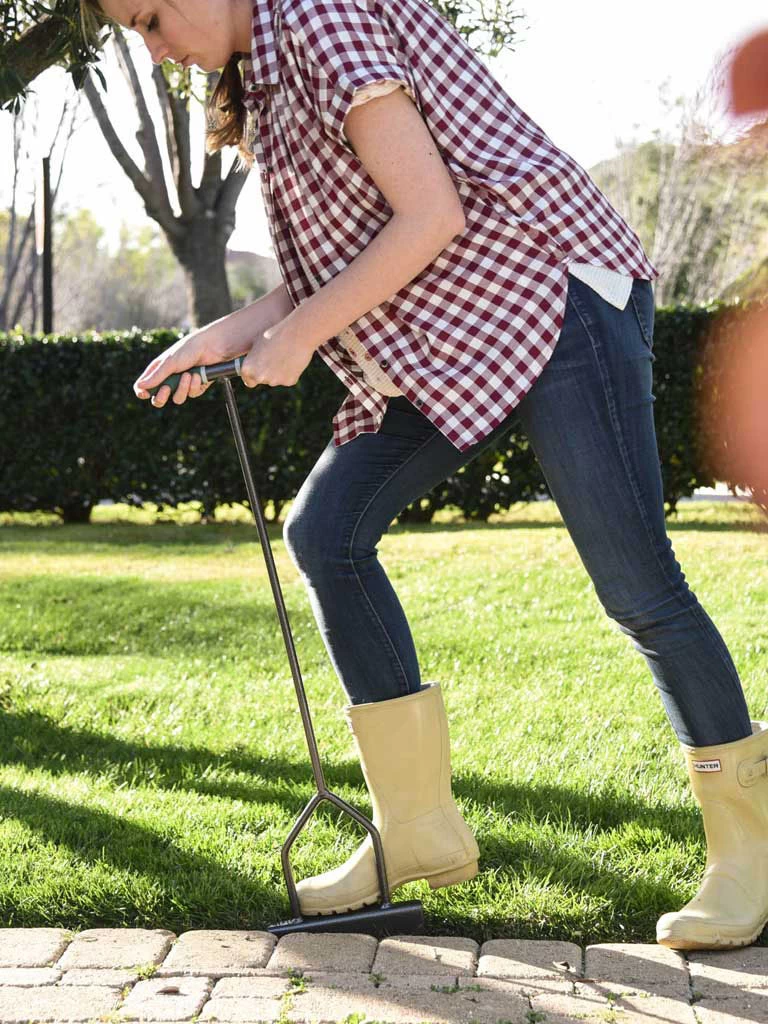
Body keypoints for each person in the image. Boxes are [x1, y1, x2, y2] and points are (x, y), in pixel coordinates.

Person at [81, 0, 768, 950]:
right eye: (136, 32)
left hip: (550, 288)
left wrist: (301, 336)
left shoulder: (319, 17)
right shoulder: (267, 78)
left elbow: (431, 213)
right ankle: (415, 830)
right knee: (326, 530)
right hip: (452, 326)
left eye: (152, 17)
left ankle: (749, 851)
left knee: (637, 586)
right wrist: (223, 336)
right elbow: (339, 258)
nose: (156, 49)